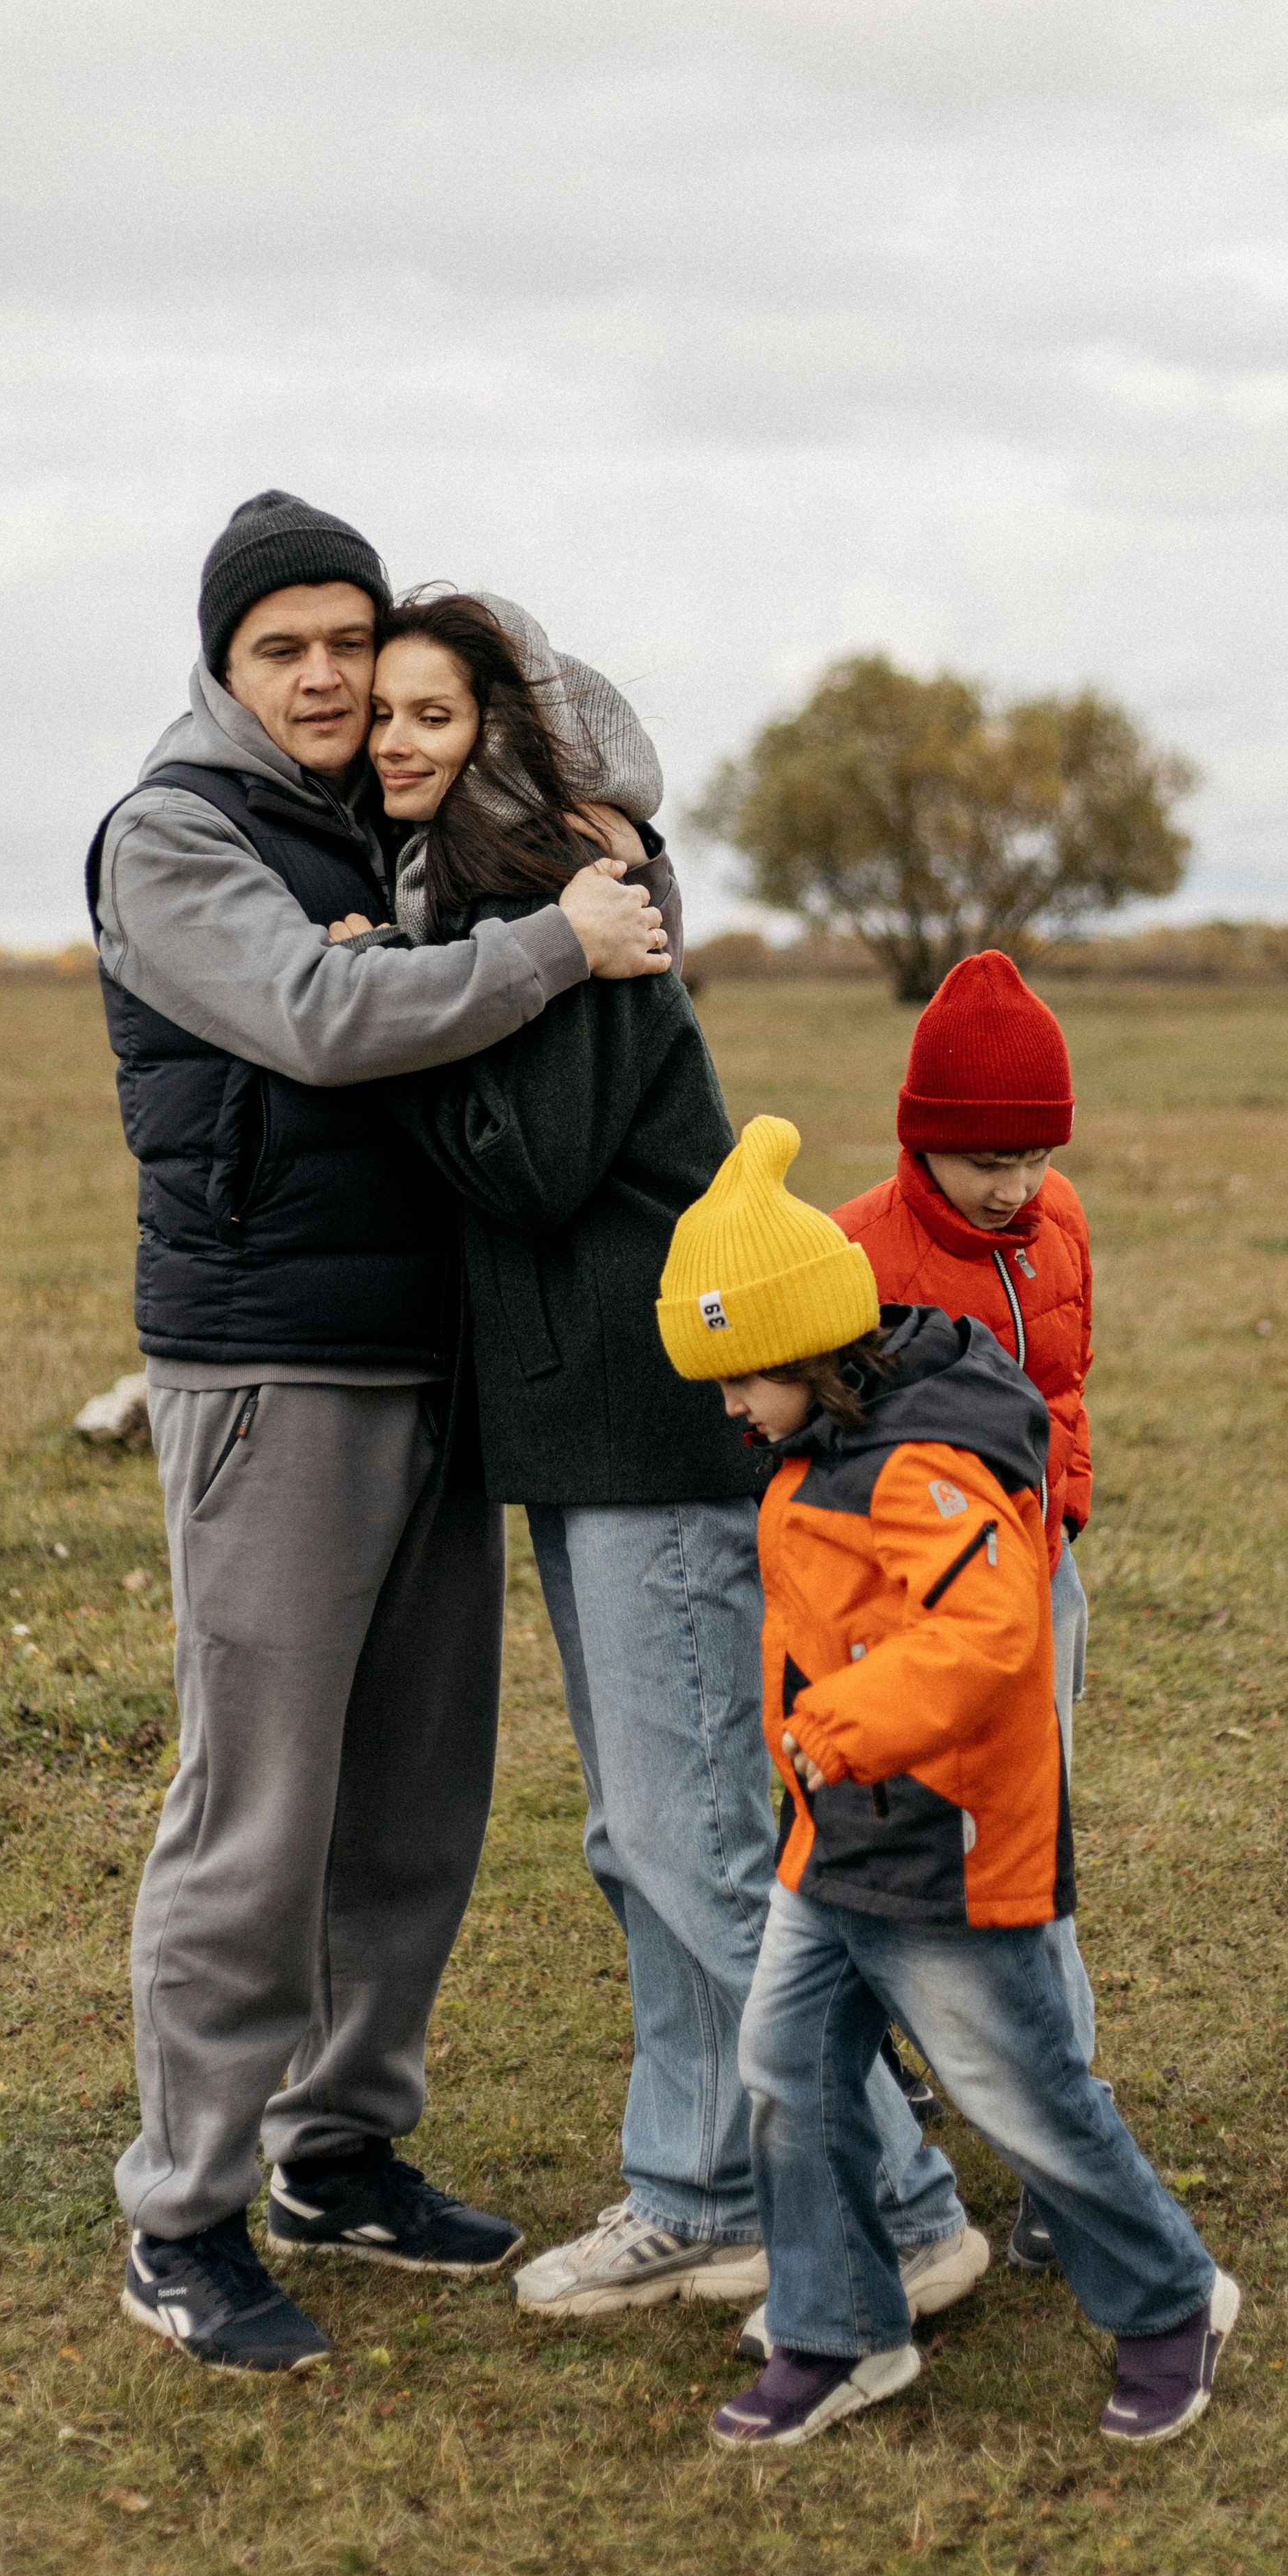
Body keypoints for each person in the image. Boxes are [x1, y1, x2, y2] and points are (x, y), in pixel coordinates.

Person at [324, 592, 982, 2325]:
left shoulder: (570, 909)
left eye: (432, 715)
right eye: (382, 711)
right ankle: (697, 2192)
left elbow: (530, 1167)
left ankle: (902, 2208)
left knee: (689, 1834)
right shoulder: (498, 911)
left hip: (656, 1422)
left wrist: (383, 1009)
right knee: (643, 1836)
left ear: (506, 739)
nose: (394, 737)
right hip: (583, 1424)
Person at [88, 492, 671, 2375]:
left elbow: (598, 748)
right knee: (259, 1813)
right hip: (276, 1369)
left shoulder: (389, 804)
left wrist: (492, 679)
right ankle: (180, 2213)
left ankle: (339, 2151)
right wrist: (558, 949)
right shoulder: (174, 835)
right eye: (288, 648)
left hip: (443, 1362)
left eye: (353, 639)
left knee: (416, 1802)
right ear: (222, 665)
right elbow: (328, 1018)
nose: (332, 675)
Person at [655, 1118, 1240, 2452]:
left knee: (1022, 2090)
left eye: (741, 1378)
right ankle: (839, 2328)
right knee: (787, 2071)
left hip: (947, 1844)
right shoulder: (821, 1449)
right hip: (840, 1839)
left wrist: (850, 1722)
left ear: (809, 1344)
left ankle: (1170, 2303)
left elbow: (989, 1635)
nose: (731, 1409)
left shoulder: (922, 1464)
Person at [832, 952, 1096, 2274]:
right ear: (919, 1138)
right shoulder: (852, 1252)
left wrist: (1069, 1515)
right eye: (986, 1158)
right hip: (900, 1625)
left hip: (1033, 1597)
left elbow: (1064, 1389)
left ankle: (1060, 2146)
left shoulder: (1062, 1230)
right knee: (888, 1858)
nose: (1016, 1186)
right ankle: (898, 2064)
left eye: (1037, 1154)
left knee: (1026, 1867)